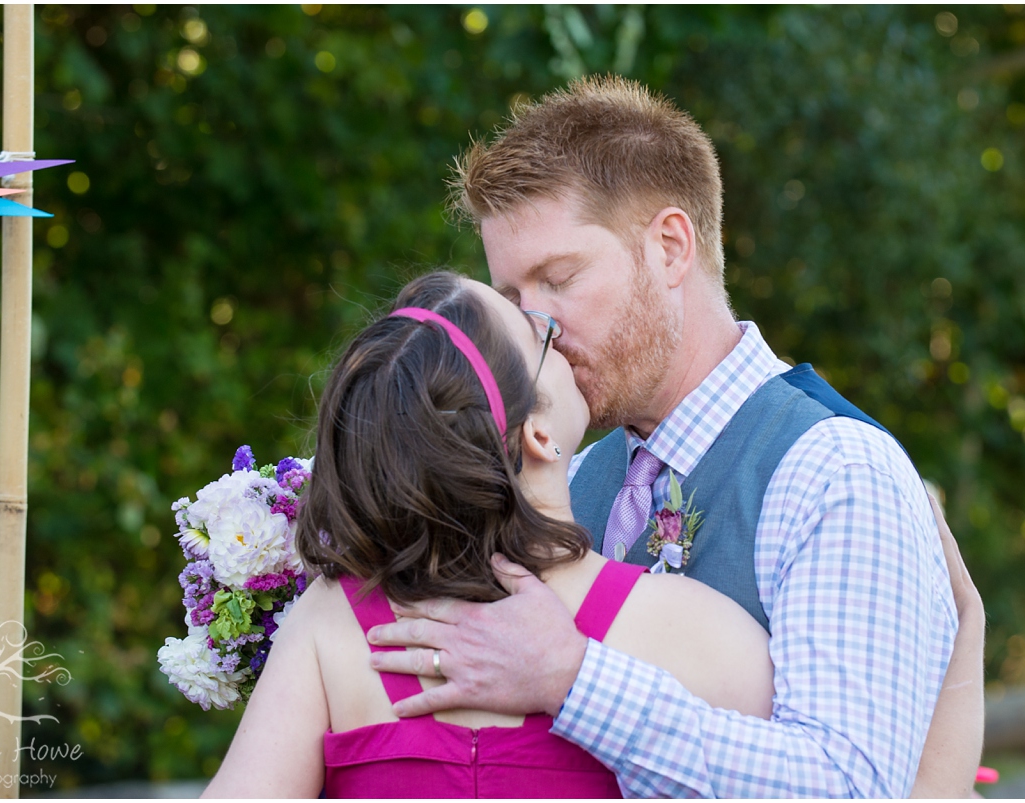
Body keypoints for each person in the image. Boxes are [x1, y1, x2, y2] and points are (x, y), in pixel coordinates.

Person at [365, 76, 966, 797]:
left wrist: (573, 678)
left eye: (559, 278)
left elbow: (847, 787)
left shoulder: (835, 469)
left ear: (671, 247)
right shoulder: (565, 477)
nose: (537, 326)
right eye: (515, 299)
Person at [201, 271, 983, 798]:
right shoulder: (689, 630)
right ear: (538, 435)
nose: (559, 331)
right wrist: (963, 638)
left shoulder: (331, 628)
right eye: (537, 333)